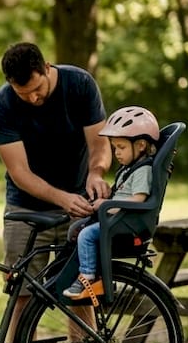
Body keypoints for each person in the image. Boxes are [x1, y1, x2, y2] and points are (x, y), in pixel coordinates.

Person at [0, 42, 112, 343]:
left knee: (81, 295)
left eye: (36, 89)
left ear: (46, 67)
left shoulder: (80, 85)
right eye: (23, 93)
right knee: (22, 298)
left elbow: (100, 144)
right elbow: (20, 174)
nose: (33, 98)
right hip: (26, 209)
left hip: (78, 204)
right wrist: (61, 198)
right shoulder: (3, 105)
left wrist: (95, 174)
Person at [63, 106, 160, 301]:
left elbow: (138, 199)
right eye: (115, 147)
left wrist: (108, 205)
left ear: (140, 145)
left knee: (87, 235)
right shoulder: (130, 168)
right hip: (118, 219)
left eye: (121, 147)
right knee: (76, 230)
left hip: (126, 223)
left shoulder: (143, 170)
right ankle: (85, 271)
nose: (116, 153)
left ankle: (88, 277)